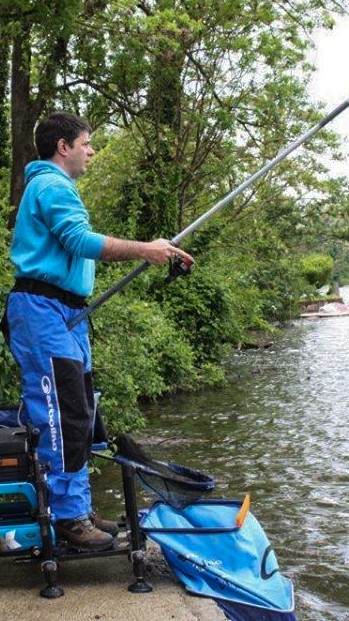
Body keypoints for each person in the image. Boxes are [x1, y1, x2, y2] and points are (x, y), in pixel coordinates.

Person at [3, 112, 193, 551]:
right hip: (43, 312)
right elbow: (79, 241)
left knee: (82, 412)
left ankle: (78, 508)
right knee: (62, 414)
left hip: (66, 313)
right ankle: (67, 519)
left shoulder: (57, 187)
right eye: (86, 143)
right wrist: (145, 249)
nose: (91, 151)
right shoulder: (51, 186)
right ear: (63, 146)